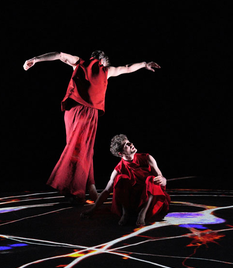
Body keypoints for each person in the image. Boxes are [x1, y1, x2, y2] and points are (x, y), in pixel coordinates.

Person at [23, 51, 160, 204]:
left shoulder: (80, 63)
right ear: (103, 60)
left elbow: (60, 54)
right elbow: (127, 68)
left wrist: (35, 59)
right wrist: (144, 64)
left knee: (81, 149)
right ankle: (76, 192)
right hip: (86, 112)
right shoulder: (105, 70)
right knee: (80, 149)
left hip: (72, 111)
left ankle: (90, 187)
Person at [81, 134, 170, 226]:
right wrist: (92, 210)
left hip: (149, 201)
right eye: (126, 145)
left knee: (151, 179)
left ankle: (142, 213)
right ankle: (125, 213)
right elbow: (107, 191)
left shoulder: (147, 158)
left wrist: (163, 180)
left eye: (129, 142)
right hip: (132, 202)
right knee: (120, 178)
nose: (131, 144)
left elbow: (160, 176)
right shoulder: (118, 169)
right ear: (120, 153)